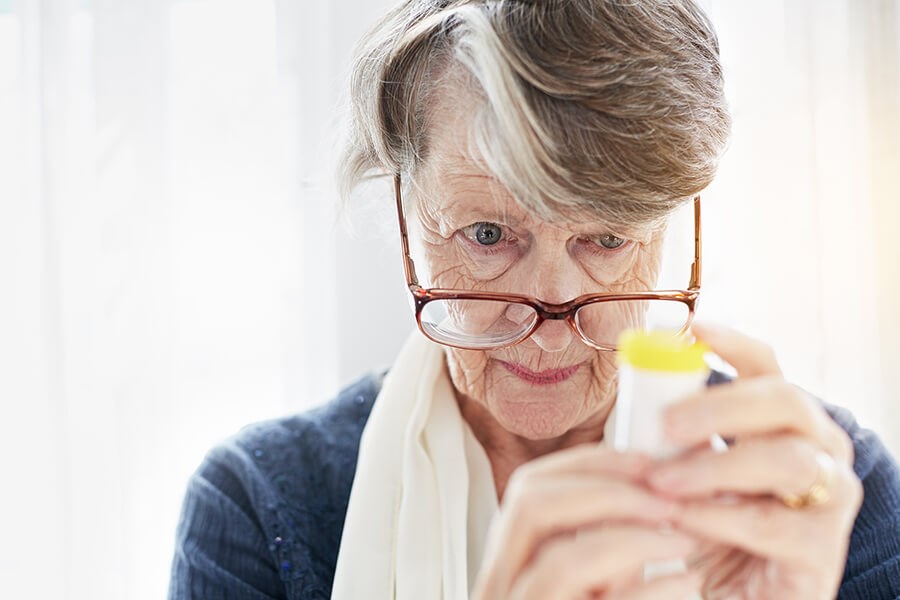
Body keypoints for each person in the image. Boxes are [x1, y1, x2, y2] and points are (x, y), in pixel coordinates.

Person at [168, 1, 900, 598]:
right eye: (488, 234)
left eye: (607, 238)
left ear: (671, 224)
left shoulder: (821, 495)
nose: (550, 327)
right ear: (406, 215)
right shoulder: (256, 508)